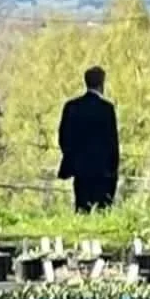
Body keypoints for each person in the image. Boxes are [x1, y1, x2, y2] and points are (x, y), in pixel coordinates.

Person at [57, 66, 119, 212]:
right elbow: (112, 141)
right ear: (102, 83)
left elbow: (63, 137)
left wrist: (72, 157)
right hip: (102, 169)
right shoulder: (106, 109)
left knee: (81, 206)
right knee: (102, 208)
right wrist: (113, 167)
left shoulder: (72, 107)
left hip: (80, 169)